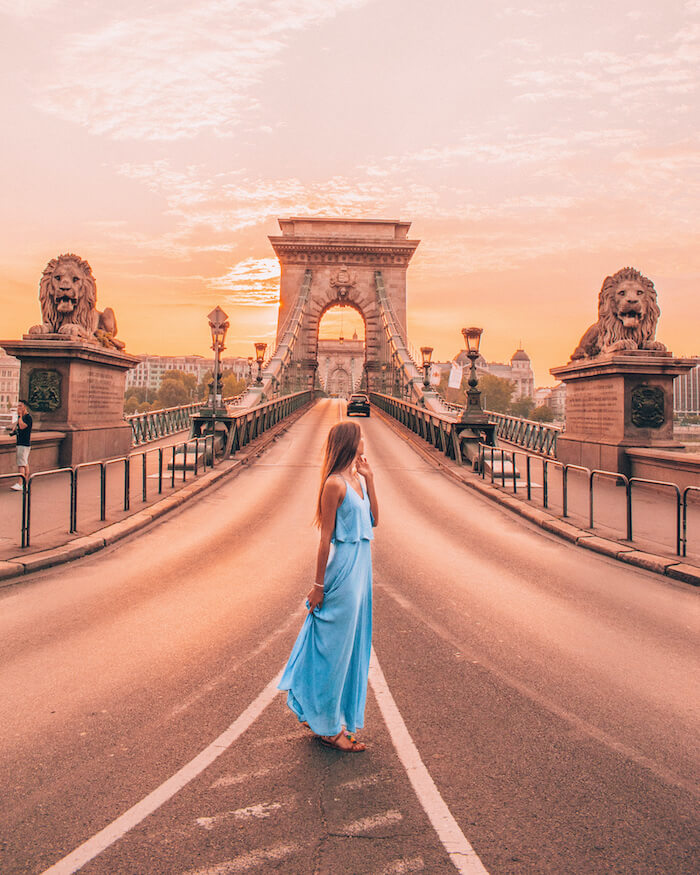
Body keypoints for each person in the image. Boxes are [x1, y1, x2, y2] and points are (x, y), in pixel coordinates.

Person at [279, 420, 379, 752]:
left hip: (362, 571)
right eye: (360, 437)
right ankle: (327, 724)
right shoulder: (333, 485)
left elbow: (374, 520)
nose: (364, 441)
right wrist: (318, 585)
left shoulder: (356, 481)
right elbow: (324, 541)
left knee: (352, 650)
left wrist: (371, 480)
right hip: (344, 573)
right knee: (332, 650)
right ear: (350, 444)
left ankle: (328, 717)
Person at [10, 400, 33, 491]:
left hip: (23, 444)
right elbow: (15, 429)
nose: (18, 408)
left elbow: (23, 426)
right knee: (25, 463)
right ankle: (25, 483)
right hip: (22, 443)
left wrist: (19, 417)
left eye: (20, 406)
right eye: (18, 406)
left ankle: (20, 483)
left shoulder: (27, 417)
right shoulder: (23, 417)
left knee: (21, 464)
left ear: (25, 407)